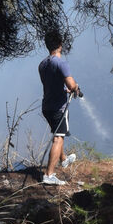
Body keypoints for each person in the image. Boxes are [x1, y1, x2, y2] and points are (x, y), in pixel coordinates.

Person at [39, 30, 80, 185]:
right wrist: (75, 87)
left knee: (58, 133)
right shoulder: (61, 62)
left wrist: (65, 90)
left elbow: (52, 84)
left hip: (47, 106)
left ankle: (63, 159)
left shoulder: (42, 64)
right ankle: (49, 175)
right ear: (60, 45)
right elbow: (70, 83)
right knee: (59, 138)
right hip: (58, 108)